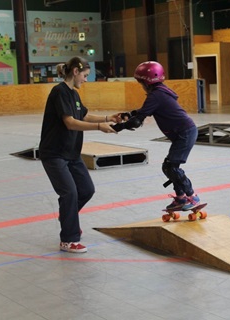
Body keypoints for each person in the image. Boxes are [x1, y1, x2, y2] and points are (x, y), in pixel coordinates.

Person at [39, 56, 120, 253]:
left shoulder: (74, 94)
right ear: (75, 71)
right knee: (69, 192)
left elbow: (82, 115)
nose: (86, 79)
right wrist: (99, 127)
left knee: (86, 190)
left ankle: (67, 217)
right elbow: (70, 122)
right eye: (84, 75)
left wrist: (109, 117)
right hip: (54, 153)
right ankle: (68, 239)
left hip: (71, 153)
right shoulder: (59, 92)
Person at [112, 61, 200, 210]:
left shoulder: (156, 95)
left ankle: (192, 196)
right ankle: (180, 198)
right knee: (169, 167)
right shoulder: (160, 91)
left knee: (171, 167)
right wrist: (130, 114)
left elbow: (136, 122)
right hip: (183, 133)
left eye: (141, 82)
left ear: (147, 81)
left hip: (185, 133)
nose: (141, 85)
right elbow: (143, 112)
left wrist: (118, 127)